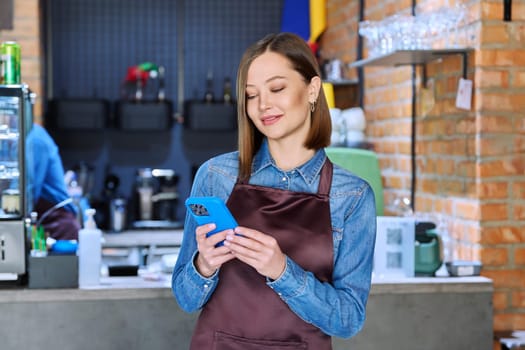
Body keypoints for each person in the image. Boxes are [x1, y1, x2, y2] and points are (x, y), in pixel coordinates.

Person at [172, 32, 376, 349]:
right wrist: (205, 265)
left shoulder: (351, 196)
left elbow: (348, 320)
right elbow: (185, 299)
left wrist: (281, 270)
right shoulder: (216, 176)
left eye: (277, 88)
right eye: (251, 95)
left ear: (312, 90)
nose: (263, 105)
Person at [26, 123, 80, 240]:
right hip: (44, 225)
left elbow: (29, 192)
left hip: (58, 227)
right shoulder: (20, 137)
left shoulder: (35, 139)